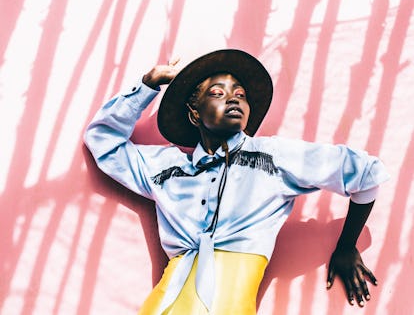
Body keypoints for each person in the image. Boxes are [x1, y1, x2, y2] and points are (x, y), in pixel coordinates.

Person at [84, 49, 389, 314]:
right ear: (194, 113)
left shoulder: (274, 157)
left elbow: (367, 173)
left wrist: (347, 245)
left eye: (240, 95)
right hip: (164, 303)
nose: (233, 98)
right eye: (217, 93)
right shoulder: (165, 169)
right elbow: (102, 140)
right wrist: (148, 84)